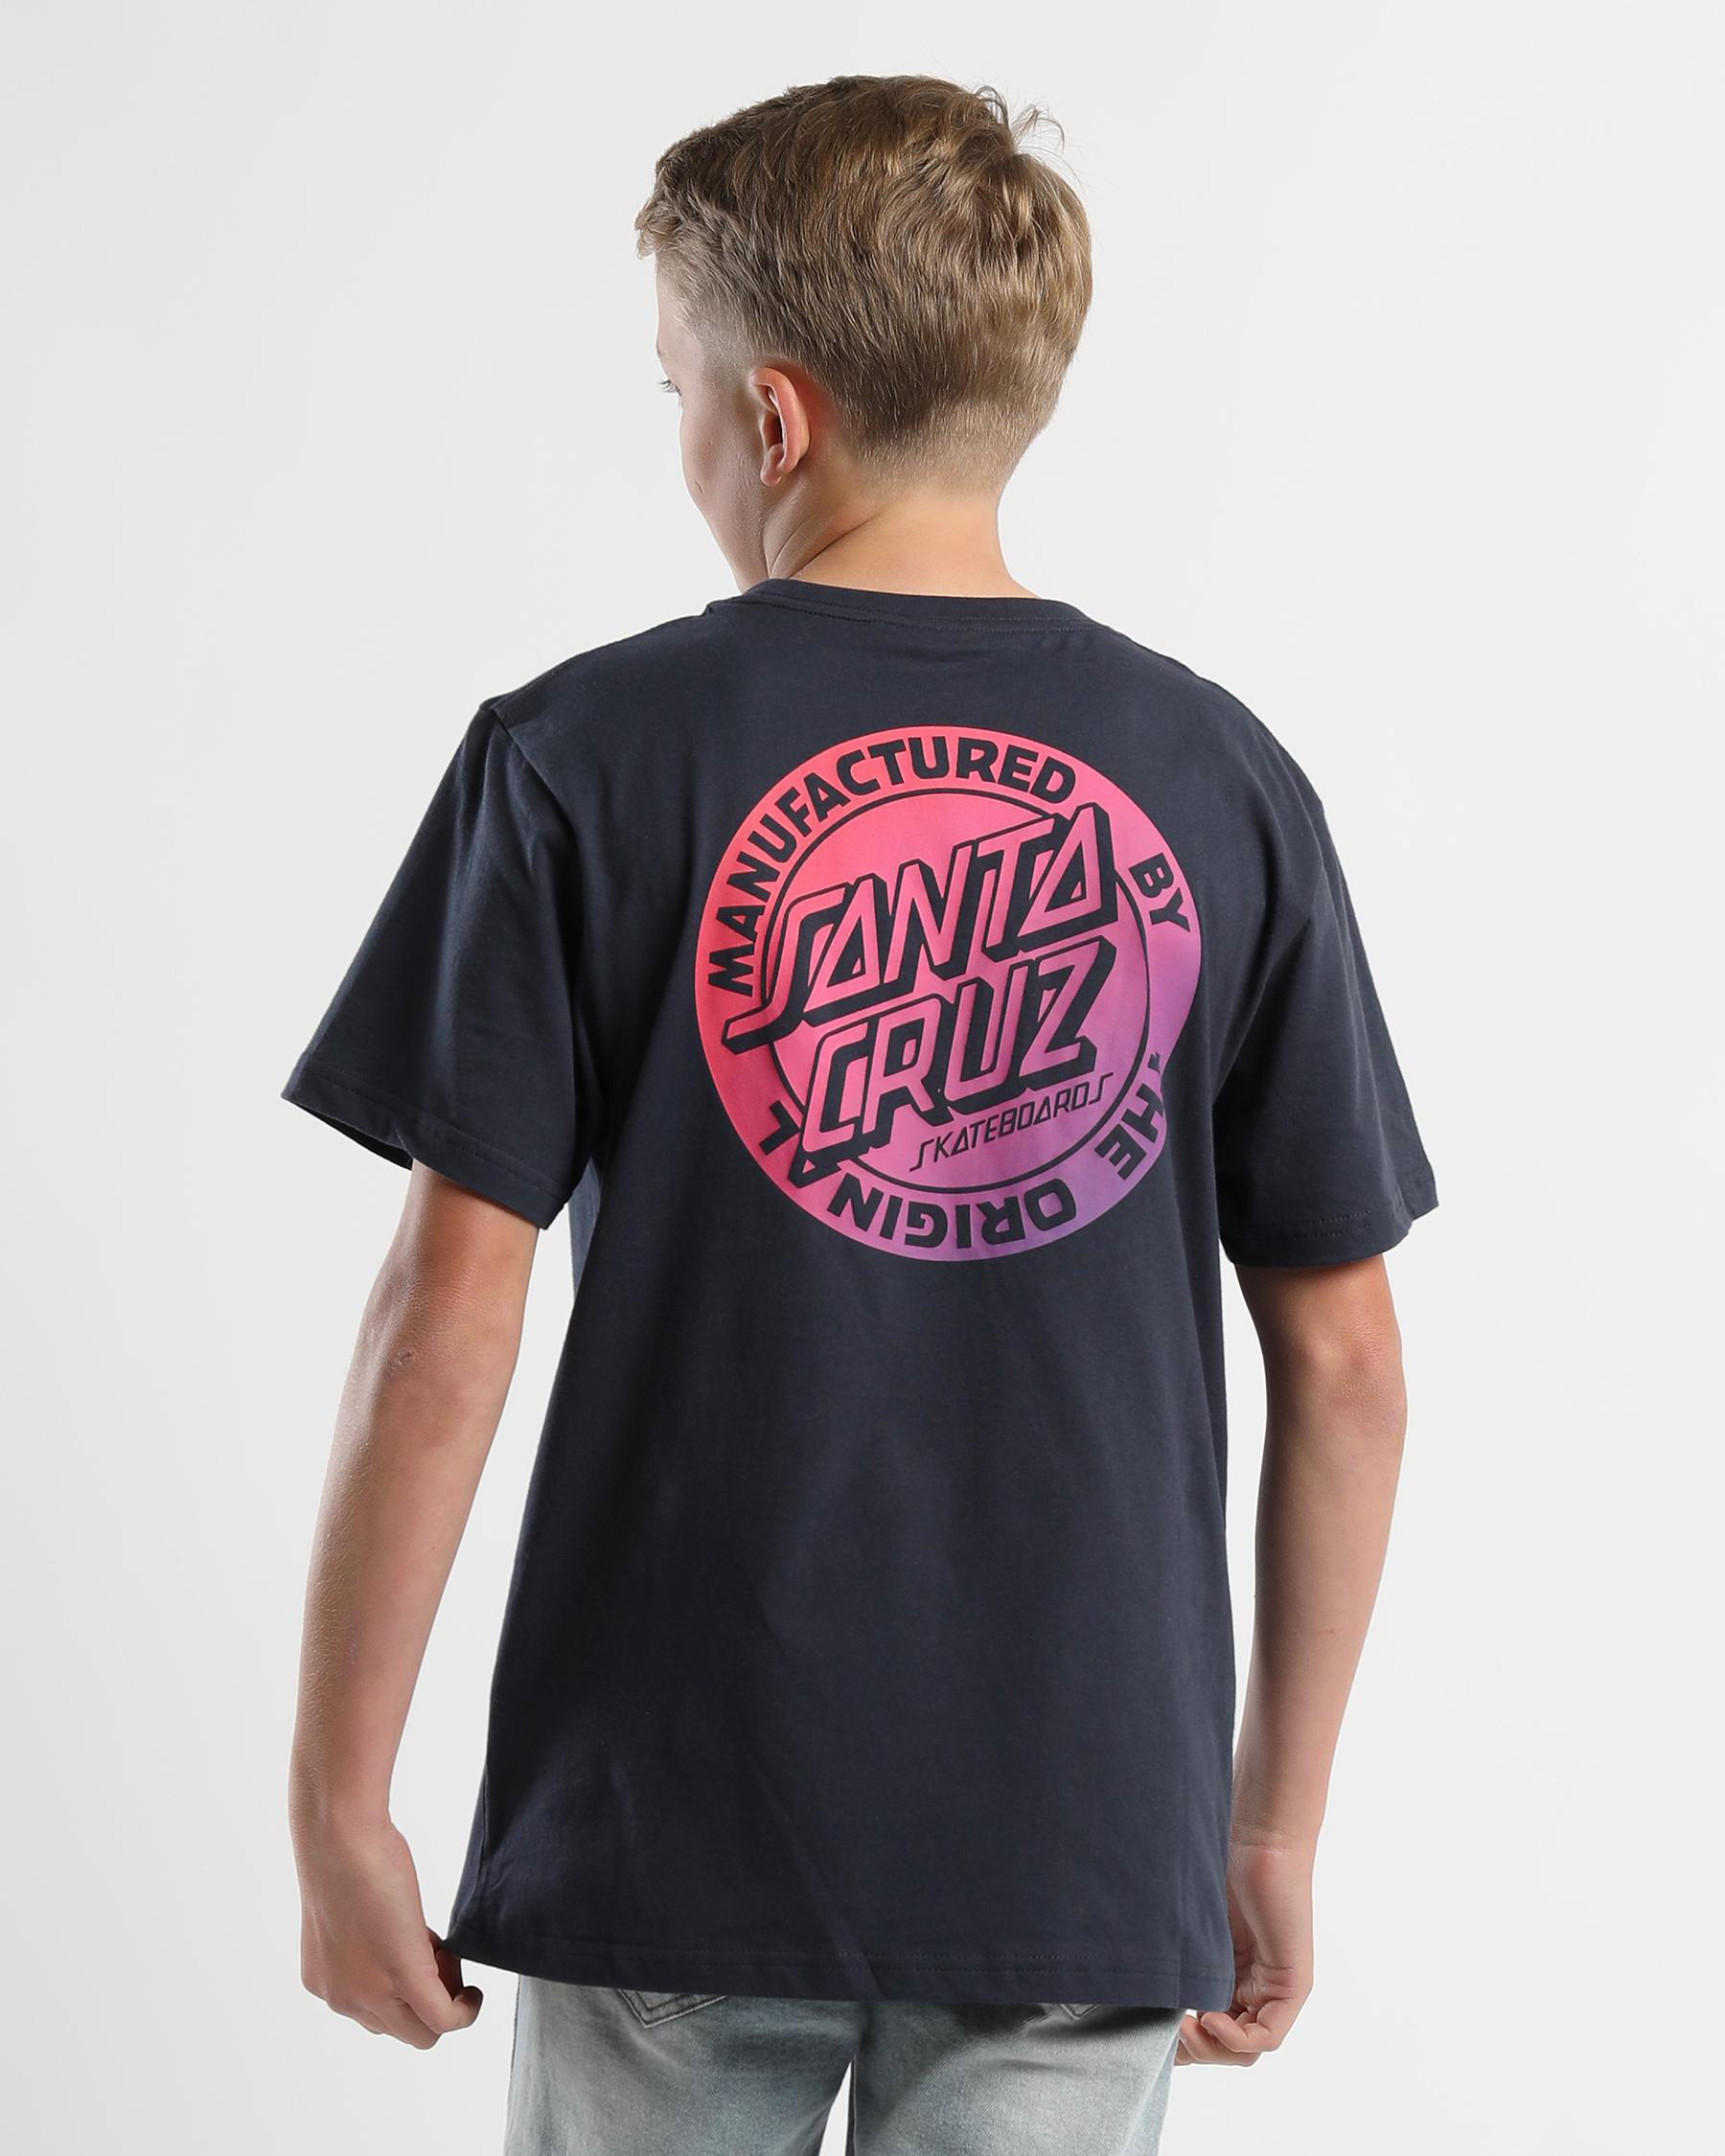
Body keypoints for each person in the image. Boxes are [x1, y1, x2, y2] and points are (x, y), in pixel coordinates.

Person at [283, 73, 1437, 2156]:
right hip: (1081, 1832)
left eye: (675, 393)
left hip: (674, 1810)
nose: (683, 441)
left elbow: (444, 1320)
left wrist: (335, 1796)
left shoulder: (578, 757)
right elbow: (1348, 1363)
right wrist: (1271, 1823)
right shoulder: (1225, 780)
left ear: (774, 418)